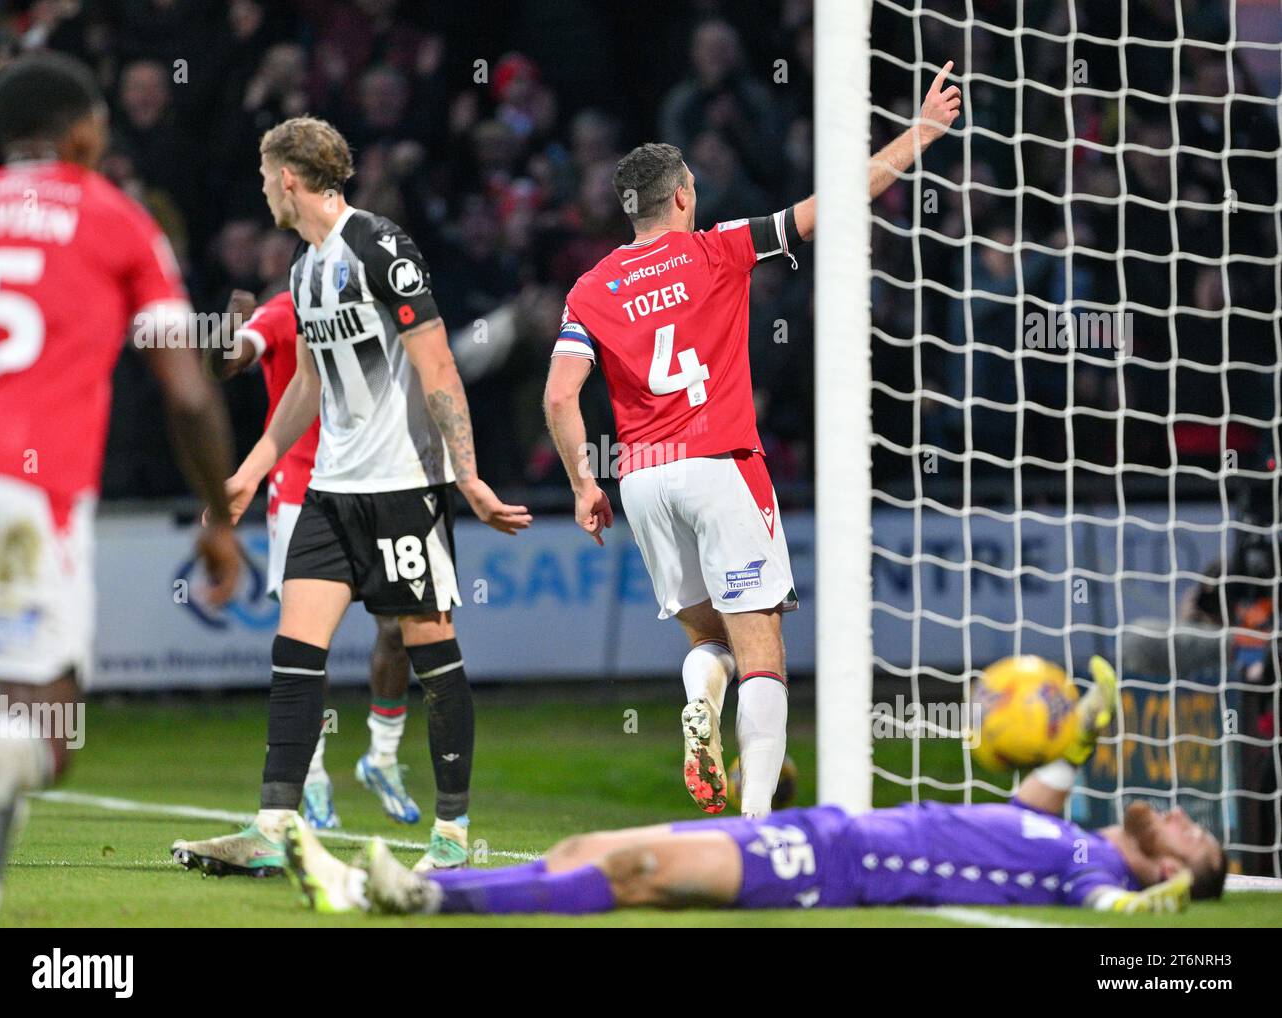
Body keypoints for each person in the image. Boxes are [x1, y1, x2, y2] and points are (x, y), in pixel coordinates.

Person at [543, 64, 962, 817]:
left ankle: (700, 694)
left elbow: (558, 396)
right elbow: (833, 204)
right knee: (763, 649)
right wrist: (922, 134)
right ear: (681, 197)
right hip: (722, 465)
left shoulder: (590, 287)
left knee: (713, 640)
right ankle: (759, 823)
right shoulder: (718, 248)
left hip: (642, 481)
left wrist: (583, 482)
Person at [171, 116, 530, 876]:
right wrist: (253, 467)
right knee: (296, 655)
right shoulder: (305, 271)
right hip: (331, 493)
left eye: (268, 176)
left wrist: (465, 478)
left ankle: (453, 837)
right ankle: (274, 827)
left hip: (405, 489)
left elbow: (437, 367)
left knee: (433, 662)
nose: (263, 188)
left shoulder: (381, 247)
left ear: (291, 180)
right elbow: (308, 383)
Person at [284, 658, 1224, 916]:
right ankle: (369, 890)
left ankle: (419, 903)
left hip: (836, 868)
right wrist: (1082, 727)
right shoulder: (1070, 838)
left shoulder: (1092, 876)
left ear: (1171, 873)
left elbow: (1113, 914)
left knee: (639, 869)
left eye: (1195, 842)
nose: (1181, 818)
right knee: (585, 852)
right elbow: (1046, 794)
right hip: (826, 828)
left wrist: (1154, 907)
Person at [0, 52, 241, 927]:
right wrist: (221, 512)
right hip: (23, 499)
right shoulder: (115, 218)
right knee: (39, 734)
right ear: (88, 133)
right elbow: (189, 390)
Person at [208, 289, 424, 829]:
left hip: (375, 487)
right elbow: (228, 362)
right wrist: (229, 326)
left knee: (398, 631)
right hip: (301, 489)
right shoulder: (285, 310)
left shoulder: (379, 307)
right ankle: (314, 774)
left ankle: (382, 756)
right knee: (309, 643)